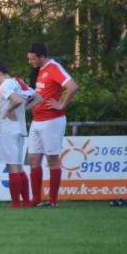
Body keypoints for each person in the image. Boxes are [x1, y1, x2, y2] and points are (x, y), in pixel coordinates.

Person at [26, 42, 78, 207]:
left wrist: (62, 104)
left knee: (52, 159)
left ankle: (53, 200)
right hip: (37, 120)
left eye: (32, 59)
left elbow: (72, 86)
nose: (30, 62)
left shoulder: (53, 67)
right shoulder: (39, 70)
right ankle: (36, 199)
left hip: (52, 120)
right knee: (33, 159)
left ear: (42, 57)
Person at [0, 60, 43, 207]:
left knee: (12, 166)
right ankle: (25, 201)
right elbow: (38, 98)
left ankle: (16, 203)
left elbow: (16, 100)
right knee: (18, 166)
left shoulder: (5, 86)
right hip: (19, 129)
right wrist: (21, 109)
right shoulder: (16, 82)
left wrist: (10, 111)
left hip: (10, 130)